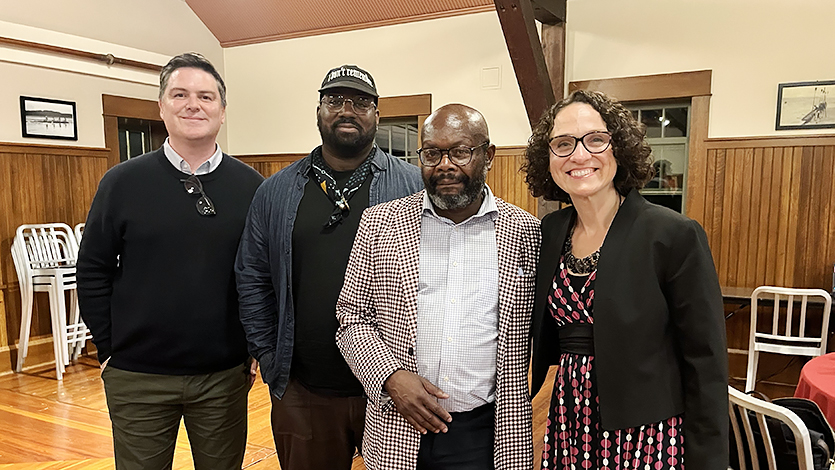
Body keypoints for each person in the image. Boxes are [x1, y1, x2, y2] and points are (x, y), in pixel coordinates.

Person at [76, 52, 264, 470]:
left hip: (223, 377)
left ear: (222, 110)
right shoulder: (122, 182)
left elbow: (262, 274)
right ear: (161, 106)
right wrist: (109, 349)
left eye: (205, 96)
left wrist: (255, 347)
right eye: (179, 94)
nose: (192, 104)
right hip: (137, 376)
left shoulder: (251, 185)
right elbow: (92, 269)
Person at [523, 90, 728, 470]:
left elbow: (706, 360)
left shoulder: (672, 234)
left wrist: (709, 459)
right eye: (563, 144)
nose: (579, 155)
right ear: (547, 158)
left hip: (645, 429)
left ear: (619, 148)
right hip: (570, 419)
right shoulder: (551, 230)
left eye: (595, 139)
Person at [235, 65, 422, 470]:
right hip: (304, 389)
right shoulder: (277, 190)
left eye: (360, 102)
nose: (347, 110)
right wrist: (268, 355)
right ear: (319, 110)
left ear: (377, 113)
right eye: (335, 100)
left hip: (397, 386)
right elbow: (251, 276)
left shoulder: (413, 185)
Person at [336, 104, 540, 470]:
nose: (445, 165)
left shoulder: (526, 232)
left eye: (461, 152)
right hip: (398, 425)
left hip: (486, 432)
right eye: (432, 153)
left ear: (488, 155)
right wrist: (390, 377)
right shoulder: (380, 223)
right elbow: (351, 319)